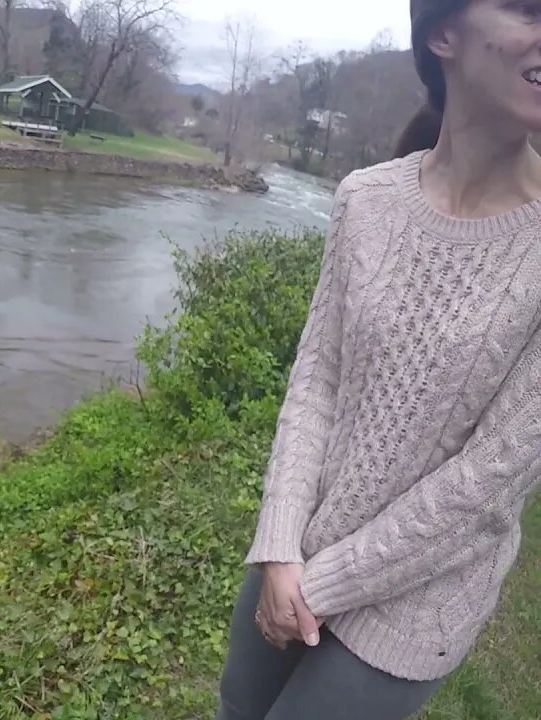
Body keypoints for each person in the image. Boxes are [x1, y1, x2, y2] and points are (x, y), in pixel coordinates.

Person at [215, 1, 541, 718]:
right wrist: (278, 546)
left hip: (414, 602)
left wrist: (317, 585)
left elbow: (488, 483)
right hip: (293, 554)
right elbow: (316, 382)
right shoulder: (364, 201)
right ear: (443, 34)